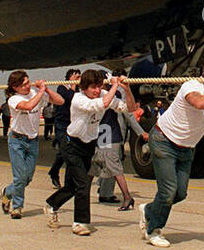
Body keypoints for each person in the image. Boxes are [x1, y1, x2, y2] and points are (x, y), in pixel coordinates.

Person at [140, 60, 204, 247]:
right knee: (168, 191)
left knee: (180, 194)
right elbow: (199, 103)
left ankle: (149, 210)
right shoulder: (192, 85)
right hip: (164, 140)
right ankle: (154, 230)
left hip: (186, 147)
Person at [46, 71, 125, 235]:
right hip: (71, 144)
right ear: (84, 88)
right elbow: (101, 105)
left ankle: (52, 205)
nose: (96, 90)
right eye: (92, 87)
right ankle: (80, 223)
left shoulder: (103, 94)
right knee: (83, 183)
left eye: (99, 86)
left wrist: (127, 89)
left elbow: (126, 108)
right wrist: (115, 85)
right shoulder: (78, 98)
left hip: (89, 146)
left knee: (73, 186)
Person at [2, 70, 59, 219]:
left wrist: (46, 89)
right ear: (15, 87)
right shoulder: (13, 99)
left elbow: (60, 101)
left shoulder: (35, 92)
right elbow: (28, 106)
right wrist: (40, 92)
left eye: (28, 82)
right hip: (17, 141)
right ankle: (17, 207)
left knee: (27, 178)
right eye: (23, 85)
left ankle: (8, 192)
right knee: (20, 178)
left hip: (32, 141)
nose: (27, 86)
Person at [91, 79, 145, 209]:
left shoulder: (112, 96)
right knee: (97, 166)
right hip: (101, 135)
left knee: (112, 167)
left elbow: (129, 112)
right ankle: (104, 192)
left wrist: (141, 132)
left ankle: (124, 196)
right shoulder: (92, 97)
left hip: (109, 134)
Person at [47, 69, 81, 188]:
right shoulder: (61, 87)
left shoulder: (78, 90)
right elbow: (67, 99)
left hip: (73, 122)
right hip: (62, 123)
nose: (78, 78)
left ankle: (54, 172)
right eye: (75, 76)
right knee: (65, 150)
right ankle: (55, 173)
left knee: (66, 151)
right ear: (69, 77)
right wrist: (73, 86)